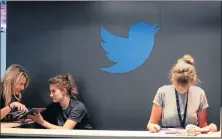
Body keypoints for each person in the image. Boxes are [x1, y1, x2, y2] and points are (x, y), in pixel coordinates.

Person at [147, 54, 217, 133]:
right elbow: (151, 123)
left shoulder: (200, 94)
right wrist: (153, 127)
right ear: (173, 78)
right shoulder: (162, 92)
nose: (181, 90)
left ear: (192, 81)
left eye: (185, 87)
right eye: (178, 87)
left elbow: (203, 126)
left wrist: (210, 128)